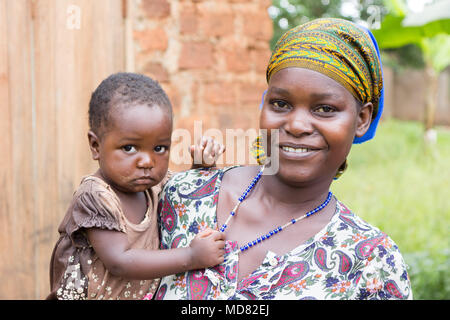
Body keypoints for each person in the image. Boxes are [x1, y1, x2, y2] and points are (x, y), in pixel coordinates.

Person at [154, 18, 413, 300]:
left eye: (325, 108)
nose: (297, 125)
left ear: (362, 119)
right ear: (264, 104)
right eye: (281, 104)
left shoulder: (370, 262)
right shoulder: (183, 196)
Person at [48, 73, 226, 300]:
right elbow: (120, 261)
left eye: (159, 148)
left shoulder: (155, 186)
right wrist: (191, 256)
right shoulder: (95, 196)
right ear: (95, 146)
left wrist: (201, 167)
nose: (147, 162)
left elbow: (185, 200)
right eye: (130, 148)